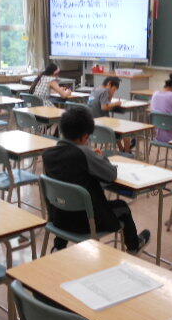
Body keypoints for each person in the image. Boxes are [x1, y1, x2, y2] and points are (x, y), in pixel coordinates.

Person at [42, 106, 150, 253]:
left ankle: (58, 246)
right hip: (86, 222)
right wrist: (100, 157)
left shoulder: (48, 155)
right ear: (85, 136)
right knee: (123, 207)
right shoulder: (84, 153)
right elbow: (111, 175)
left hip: (58, 219)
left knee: (66, 200)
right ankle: (134, 246)